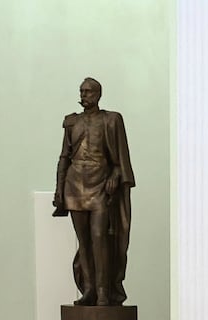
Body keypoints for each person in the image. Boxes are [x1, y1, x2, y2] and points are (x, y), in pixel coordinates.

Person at [52, 77, 135, 306]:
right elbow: (64, 158)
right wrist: (59, 189)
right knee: (84, 240)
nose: (84, 95)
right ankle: (88, 289)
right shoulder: (71, 122)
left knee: (100, 237)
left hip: (99, 185)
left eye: (88, 91)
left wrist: (115, 176)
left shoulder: (111, 120)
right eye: (82, 91)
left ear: (98, 94)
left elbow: (120, 161)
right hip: (74, 184)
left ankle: (103, 291)